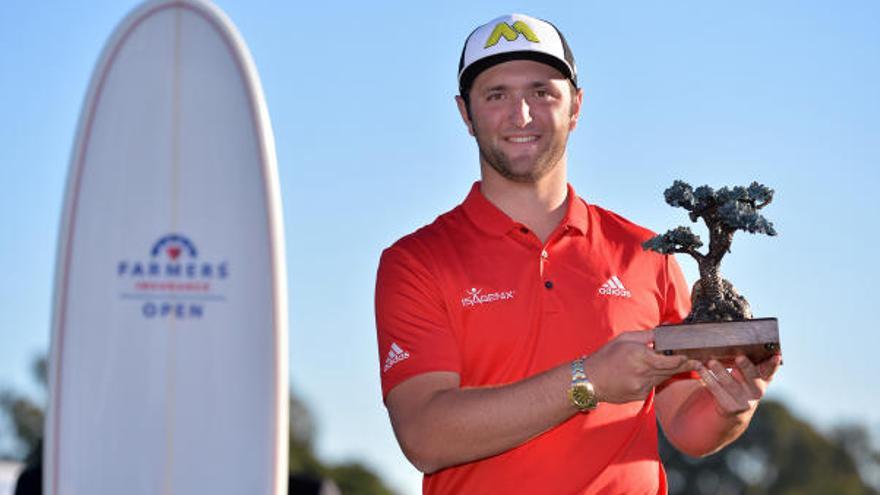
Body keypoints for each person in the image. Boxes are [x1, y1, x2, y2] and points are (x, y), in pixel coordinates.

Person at [374, 13, 781, 494]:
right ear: (466, 113)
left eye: (542, 92)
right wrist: (586, 380)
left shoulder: (645, 252)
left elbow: (687, 427)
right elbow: (426, 435)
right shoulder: (417, 261)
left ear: (576, 106)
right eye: (496, 94)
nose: (520, 115)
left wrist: (734, 403)